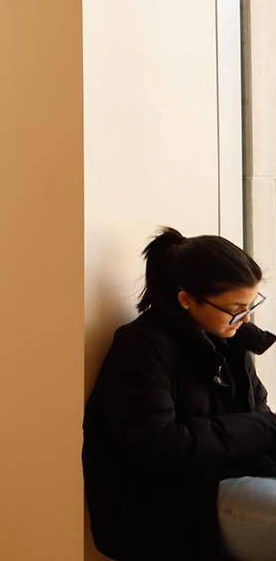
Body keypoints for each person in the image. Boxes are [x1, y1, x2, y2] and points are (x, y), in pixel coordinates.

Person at [84, 228, 276, 559]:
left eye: (250, 305)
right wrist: (263, 429)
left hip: (224, 477)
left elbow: (257, 420)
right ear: (186, 298)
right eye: (235, 308)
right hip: (161, 502)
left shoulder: (233, 341)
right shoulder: (140, 347)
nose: (245, 319)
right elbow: (160, 445)